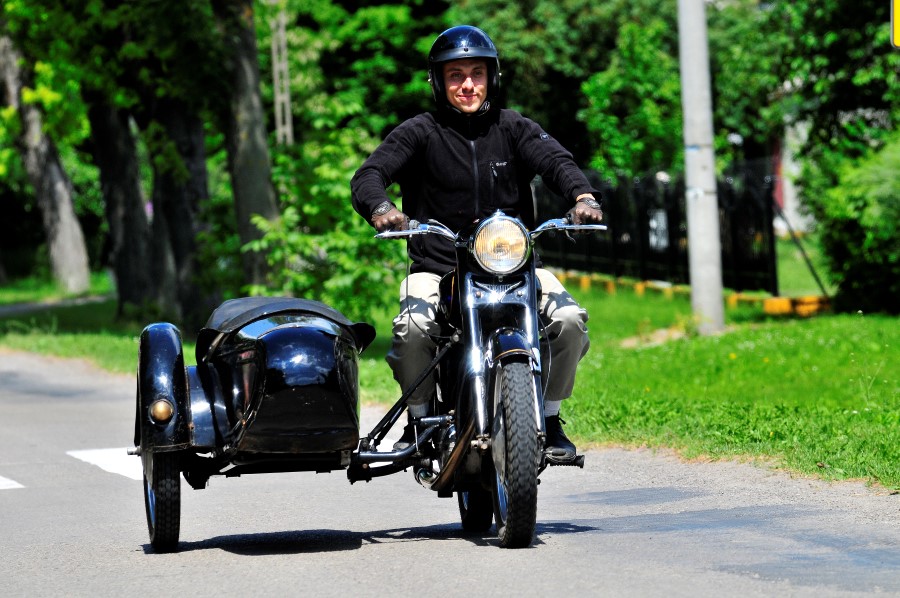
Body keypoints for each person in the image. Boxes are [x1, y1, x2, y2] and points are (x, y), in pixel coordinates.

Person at [350, 25, 603, 460]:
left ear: (491, 77)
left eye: (476, 73)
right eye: (455, 75)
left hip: (514, 267)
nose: (467, 84)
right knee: (413, 328)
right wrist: (381, 207)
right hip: (438, 268)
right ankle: (420, 420)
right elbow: (369, 175)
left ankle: (550, 417)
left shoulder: (514, 127)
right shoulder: (419, 132)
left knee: (568, 321)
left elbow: (556, 162)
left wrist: (583, 196)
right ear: (437, 81)